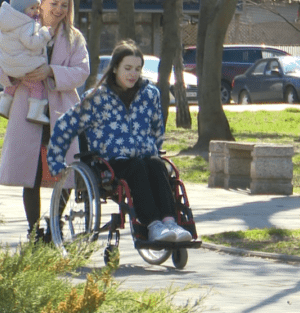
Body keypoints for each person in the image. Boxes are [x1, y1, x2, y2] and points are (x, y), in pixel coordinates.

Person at [47, 39, 193, 243]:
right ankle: (153, 225)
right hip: (112, 161)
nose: (133, 73)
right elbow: (65, 125)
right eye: (128, 68)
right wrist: (55, 161)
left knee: (157, 165)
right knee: (138, 167)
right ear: (115, 68)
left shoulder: (150, 94)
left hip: (144, 155)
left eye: (137, 69)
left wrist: (153, 147)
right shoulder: (96, 98)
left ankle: (170, 222)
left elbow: (157, 128)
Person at [0, 0, 90, 240]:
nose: (58, 9)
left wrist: (51, 71)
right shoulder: (20, 29)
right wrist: (15, 76)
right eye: (53, 3)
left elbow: (82, 71)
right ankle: (34, 231)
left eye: (64, 5)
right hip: (27, 110)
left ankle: (55, 223)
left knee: (66, 170)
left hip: (62, 110)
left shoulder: (74, 38)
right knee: (30, 172)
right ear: (40, 3)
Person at [0, 0, 52, 124]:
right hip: (25, 66)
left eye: (37, 8)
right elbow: (31, 43)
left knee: (11, 86)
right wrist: (44, 34)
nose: (36, 12)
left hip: (8, 66)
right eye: (32, 8)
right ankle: (35, 113)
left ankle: (2, 106)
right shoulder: (26, 24)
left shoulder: (5, 23)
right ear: (21, 9)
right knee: (37, 87)